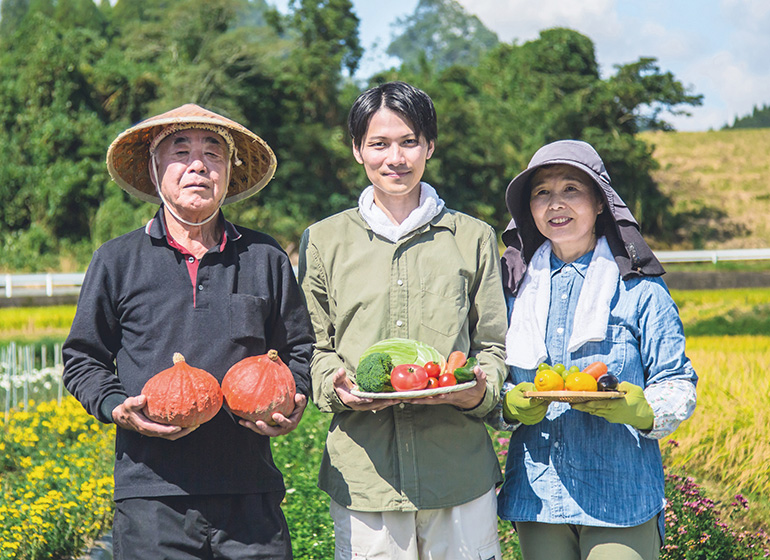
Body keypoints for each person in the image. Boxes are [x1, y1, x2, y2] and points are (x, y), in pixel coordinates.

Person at [62, 103, 315, 559]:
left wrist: (294, 398)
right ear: (155, 168)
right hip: (151, 497)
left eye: (213, 153)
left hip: (249, 494)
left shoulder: (264, 257)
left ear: (227, 173)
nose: (198, 164)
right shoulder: (117, 261)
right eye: (180, 151)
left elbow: (299, 349)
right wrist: (116, 406)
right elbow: (84, 358)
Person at [297, 81, 508, 560]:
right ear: (357, 150)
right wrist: (334, 383)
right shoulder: (324, 241)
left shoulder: (472, 238)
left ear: (429, 147)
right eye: (379, 144)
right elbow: (312, 345)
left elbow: (494, 344)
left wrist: (481, 389)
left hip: (457, 470)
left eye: (409, 141)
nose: (396, 157)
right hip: (365, 477)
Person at [493, 140, 698, 560]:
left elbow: (677, 382)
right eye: (541, 193)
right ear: (529, 209)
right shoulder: (512, 290)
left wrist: (642, 411)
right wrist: (508, 407)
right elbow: (492, 379)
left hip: (620, 495)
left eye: (571, 189)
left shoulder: (640, 289)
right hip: (538, 494)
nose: (555, 203)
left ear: (601, 203)